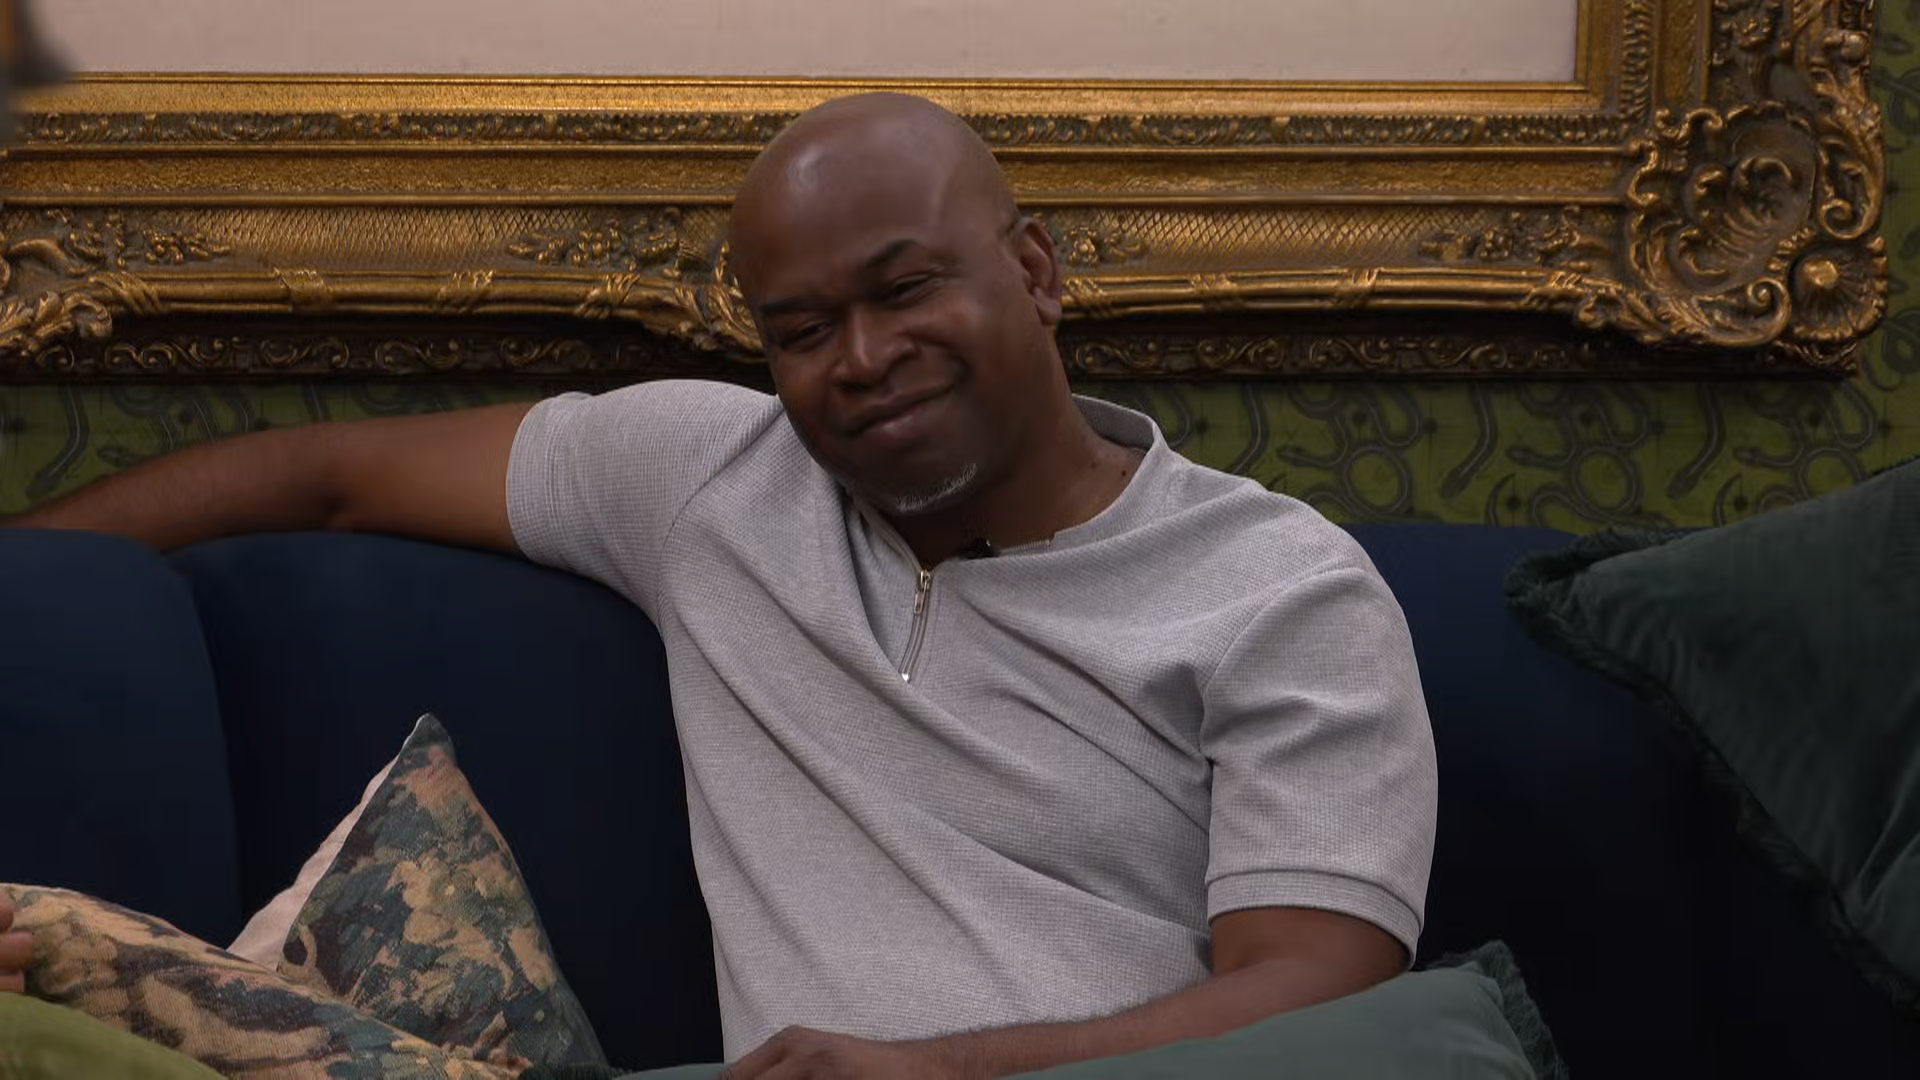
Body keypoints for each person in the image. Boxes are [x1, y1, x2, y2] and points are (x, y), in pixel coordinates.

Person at [1, 93, 1437, 1079]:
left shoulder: (1280, 589)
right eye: (803, 329)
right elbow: (319, 475)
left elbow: (1313, 989)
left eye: (906, 290)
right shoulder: (712, 480)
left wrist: (933, 1071)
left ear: (1036, 272)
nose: (862, 359)